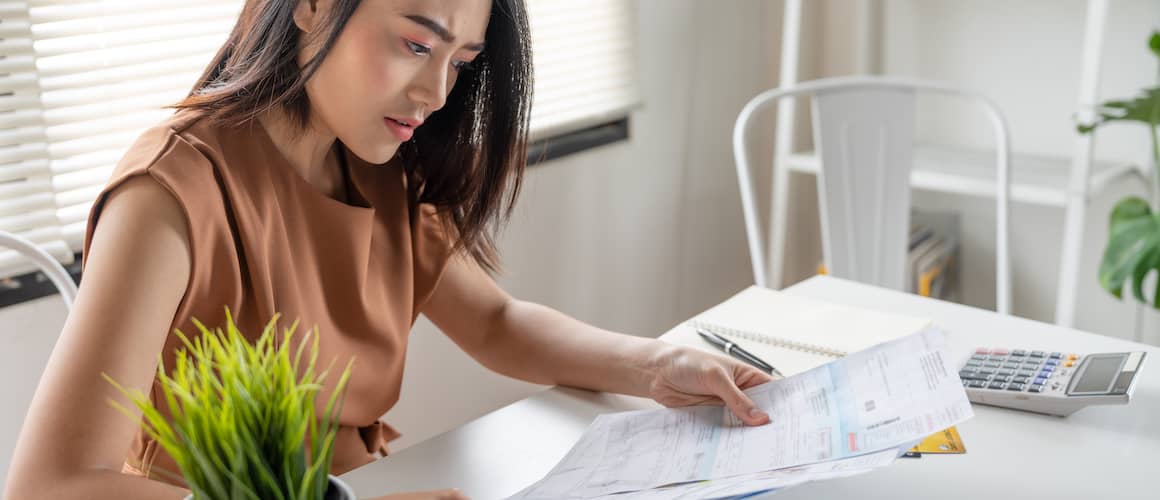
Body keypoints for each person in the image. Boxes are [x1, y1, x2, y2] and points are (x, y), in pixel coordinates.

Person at [4, 1, 774, 499]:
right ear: (311, 7)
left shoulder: (372, 162)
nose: (437, 92)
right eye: (414, 43)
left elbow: (498, 324)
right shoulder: (171, 191)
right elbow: (51, 482)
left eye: (461, 63)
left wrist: (656, 365)